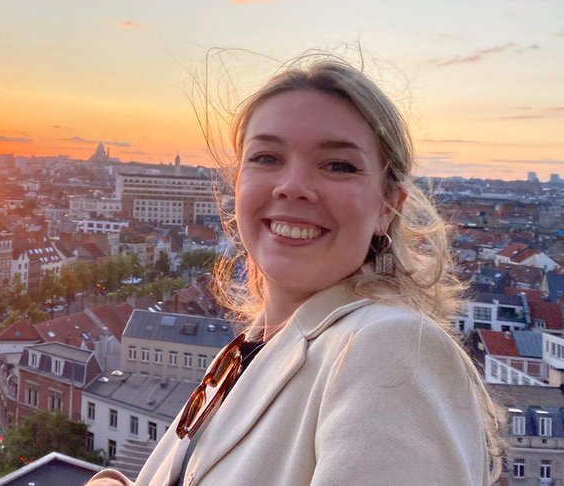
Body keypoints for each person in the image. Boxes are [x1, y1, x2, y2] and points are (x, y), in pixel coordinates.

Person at [87, 55, 501, 486]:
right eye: (266, 157)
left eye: (338, 165)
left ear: (387, 207)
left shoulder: (392, 350)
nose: (293, 186)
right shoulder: (255, 348)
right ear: (237, 184)